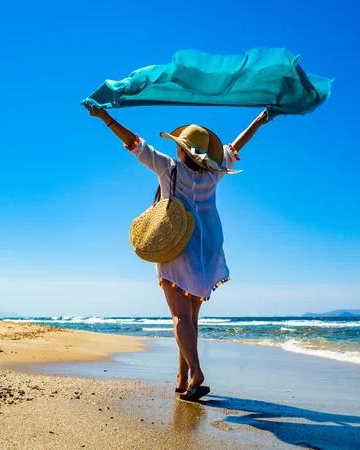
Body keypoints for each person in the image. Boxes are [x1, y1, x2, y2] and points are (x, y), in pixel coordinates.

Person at [85, 105, 269, 401]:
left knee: (180, 318)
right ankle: (182, 378)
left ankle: (195, 371)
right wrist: (259, 122)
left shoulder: (169, 168)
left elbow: (135, 143)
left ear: (182, 151)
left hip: (176, 248)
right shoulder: (214, 176)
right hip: (207, 252)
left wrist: (105, 117)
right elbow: (236, 145)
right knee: (191, 320)